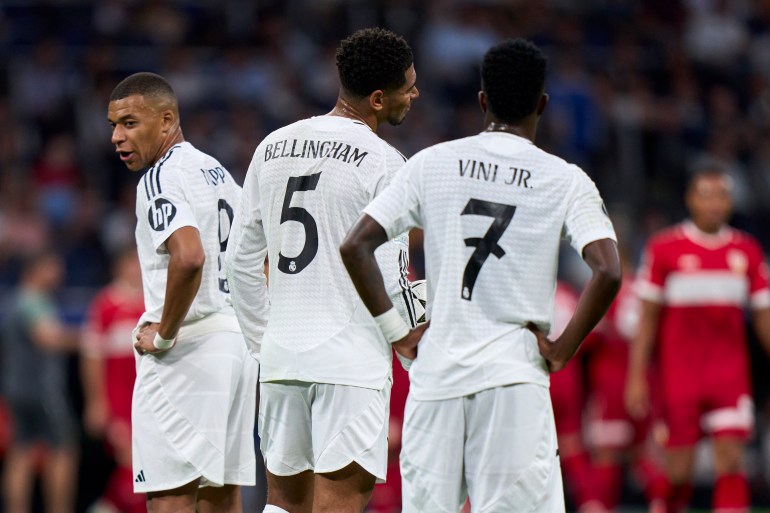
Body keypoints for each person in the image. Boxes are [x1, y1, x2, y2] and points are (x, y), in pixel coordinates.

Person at [340, 38, 621, 512]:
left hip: (437, 376)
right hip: (514, 376)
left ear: (482, 101)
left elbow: (355, 245)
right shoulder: (564, 178)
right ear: (543, 105)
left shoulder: (432, 162)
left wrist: (398, 336)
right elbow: (608, 270)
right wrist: (561, 350)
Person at [225, 27, 420, 513]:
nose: (415, 94)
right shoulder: (386, 163)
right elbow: (394, 278)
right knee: (337, 504)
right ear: (378, 98)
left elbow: (240, 260)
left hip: (282, 357)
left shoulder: (271, 146)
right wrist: (415, 335)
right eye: (407, 87)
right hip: (350, 362)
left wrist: (262, 341)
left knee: (283, 505)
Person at [107, 72, 257, 513]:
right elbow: (257, 260)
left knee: (170, 494)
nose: (117, 136)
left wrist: (166, 334)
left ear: (167, 119)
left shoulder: (160, 179)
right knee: (220, 493)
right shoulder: (217, 172)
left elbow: (189, 256)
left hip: (188, 350)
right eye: (114, 125)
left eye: (130, 123)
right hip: (234, 345)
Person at [625, 167, 770, 513]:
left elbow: (764, 317)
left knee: (731, 460)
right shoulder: (664, 249)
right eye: (706, 194)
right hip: (680, 377)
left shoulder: (746, 251)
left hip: (729, 376)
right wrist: (636, 377)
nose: (714, 203)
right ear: (690, 199)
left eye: (721, 194)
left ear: (731, 201)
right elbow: (647, 321)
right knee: (679, 471)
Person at [1, 249, 80, 513]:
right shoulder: (35, 300)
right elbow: (47, 337)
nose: (60, 274)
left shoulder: (13, 300)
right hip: (42, 391)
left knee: (20, 452)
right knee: (64, 450)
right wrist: (91, 337)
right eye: (53, 268)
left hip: (15, 390)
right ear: (36, 269)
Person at [80, 246, 145, 513]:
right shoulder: (106, 304)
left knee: (143, 465)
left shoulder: (151, 301)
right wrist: (96, 401)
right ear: (120, 267)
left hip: (145, 398)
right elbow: (91, 357)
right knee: (130, 462)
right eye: (131, 263)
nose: (137, 270)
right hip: (118, 400)